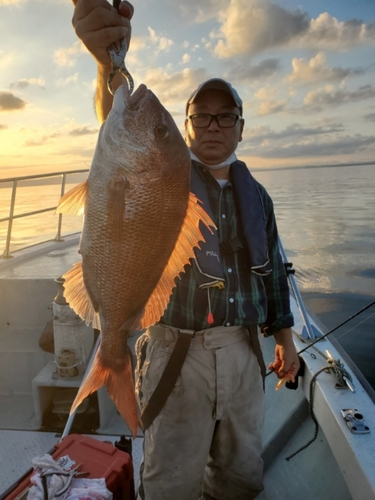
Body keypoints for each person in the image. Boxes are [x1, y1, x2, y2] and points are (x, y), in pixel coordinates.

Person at [71, 1, 300, 499]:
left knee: (240, 476)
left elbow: (274, 272)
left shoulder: (257, 195)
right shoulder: (167, 173)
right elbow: (116, 120)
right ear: (188, 127)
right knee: (171, 480)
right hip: (175, 351)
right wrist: (107, 63)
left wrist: (284, 338)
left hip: (243, 352)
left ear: (241, 127)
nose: (214, 126)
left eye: (226, 117)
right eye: (202, 117)